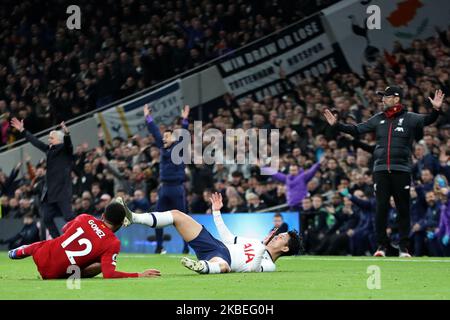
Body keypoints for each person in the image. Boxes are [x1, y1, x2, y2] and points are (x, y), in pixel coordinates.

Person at [323, 87, 445, 257]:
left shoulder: (409, 118)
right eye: (382, 97)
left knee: (403, 208)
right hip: (380, 170)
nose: (382, 100)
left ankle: (403, 247)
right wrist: (337, 125)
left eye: (386, 97)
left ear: (396, 99)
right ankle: (381, 246)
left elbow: (429, 120)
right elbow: (357, 129)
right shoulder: (378, 119)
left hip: (401, 169)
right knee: (381, 208)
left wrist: (436, 109)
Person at [117, 193, 301, 273]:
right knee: (177, 215)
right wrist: (216, 211)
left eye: (281, 238)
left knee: (223, 267)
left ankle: (202, 266)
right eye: (279, 234)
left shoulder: (270, 265)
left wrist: (261, 247)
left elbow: (253, 269)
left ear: (285, 249)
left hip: (223, 260)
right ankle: (133, 217)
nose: (277, 236)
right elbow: (229, 238)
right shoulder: (255, 242)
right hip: (216, 246)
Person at [8, 200, 160, 280]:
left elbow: (64, 230)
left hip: (41, 256)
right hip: (54, 275)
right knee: (101, 265)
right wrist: (139, 274)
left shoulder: (84, 217)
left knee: (46, 244)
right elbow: (109, 274)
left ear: (102, 216)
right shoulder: (113, 242)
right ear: (121, 224)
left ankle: (20, 251)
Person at [10, 118, 75, 239]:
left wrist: (67, 134)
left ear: (59, 140)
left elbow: (69, 145)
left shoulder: (65, 150)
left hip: (62, 192)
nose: (49, 140)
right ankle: (58, 241)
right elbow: (36, 142)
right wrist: (23, 131)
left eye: (51, 138)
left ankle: (82, 236)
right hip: (50, 193)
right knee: (46, 218)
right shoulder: (49, 150)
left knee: (69, 217)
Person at [143, 103, 190, 254]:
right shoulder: (163, 148)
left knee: (182, 220)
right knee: (158, 218)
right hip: (164, 188)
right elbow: (155, 132)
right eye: (163, 137)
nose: (163, 138)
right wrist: (148, 118)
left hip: (177, 187)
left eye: (167, 136)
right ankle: (159, 247)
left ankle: (186, 246)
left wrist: (184, 120)